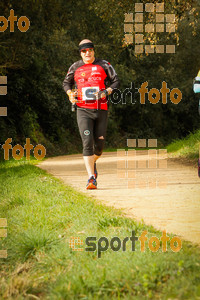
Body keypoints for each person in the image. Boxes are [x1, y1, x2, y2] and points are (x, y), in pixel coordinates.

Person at [63, 39, 120, 189]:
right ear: (80, 53)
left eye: (90, 50)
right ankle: (91, 178)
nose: (87, 53)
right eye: (84, 51)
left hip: (101, 109)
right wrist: (70, 94)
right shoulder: (75, 67)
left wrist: (107, 91)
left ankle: (92, 162)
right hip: (82, 109)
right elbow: (66, 83)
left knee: (99, 147)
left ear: (94, 50)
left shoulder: (104, 65)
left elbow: (116, 81)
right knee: (87, 142)